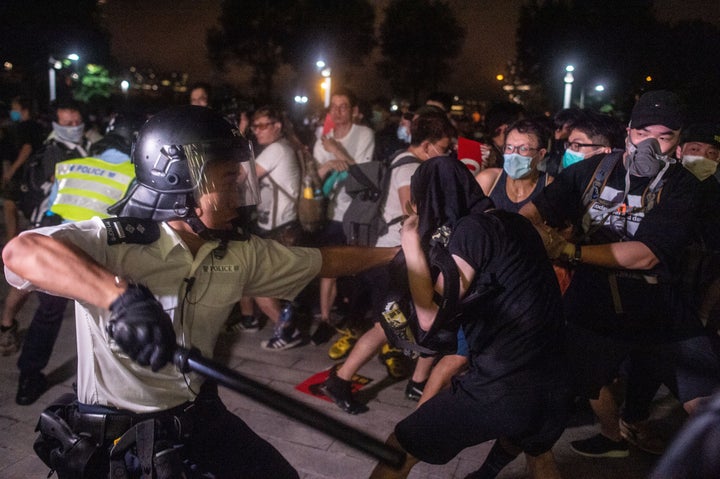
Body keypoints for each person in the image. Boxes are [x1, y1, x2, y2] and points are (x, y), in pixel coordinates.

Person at [2, 105, 398, 479]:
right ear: (179, 181)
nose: (242, 189)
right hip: (119, 437)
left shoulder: (241, 254)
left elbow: (326, 261)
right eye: (229, 180)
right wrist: (117, 298)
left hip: (198, 415)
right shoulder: (115, 243)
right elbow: (22, 251)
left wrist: (401, 255)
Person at [519, 90, 720, 459]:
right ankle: (607, 440)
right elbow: (532, 213)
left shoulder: (684, 186)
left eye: (664, 136)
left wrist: (566, 251)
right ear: (628, 131)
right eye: (644, 132)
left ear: (677, 143)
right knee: (557, 395)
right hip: (595, 304)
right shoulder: (592, 170)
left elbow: (645, 256)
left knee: (707, 405)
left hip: (661, 308)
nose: (651, 144)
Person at [369, 156, 571, 479]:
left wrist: (410, 245)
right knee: (539, 453)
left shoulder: (472, 230)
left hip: (504, 382)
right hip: (555, 377)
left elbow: (429, 317)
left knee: (399, 448)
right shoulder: (515, 223)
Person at [320, 110, 456, 414]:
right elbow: (413, 210)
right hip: (393, 258)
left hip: (390, 255)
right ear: (429, 144)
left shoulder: (401, 158)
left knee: (388, 324)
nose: (448, 154)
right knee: (388, 325)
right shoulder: (411, 169)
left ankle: (348, 379)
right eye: (445, 148)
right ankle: (340, 380)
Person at [12, 110, 144, 406]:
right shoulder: (135, 176)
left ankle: (27, 380)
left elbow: (51, 209)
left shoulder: (70, 167)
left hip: (61, 253)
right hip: (101, 258)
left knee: (47, 315)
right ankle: (103, 390)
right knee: (104, 322)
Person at [233, 106, 305, 350]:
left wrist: (238, 135)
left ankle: (289, 332)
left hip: (281, 230)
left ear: (277, 126)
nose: (257, 131)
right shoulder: (282, 147)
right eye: (255, 127)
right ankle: (254, 319)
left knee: (261, 288)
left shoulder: (276, 149)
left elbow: (241, 177)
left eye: (263, 126)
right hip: (275, 227)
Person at [311, 88, 375, 345]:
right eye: (334, 107)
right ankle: (325, 319)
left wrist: (337, 151)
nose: (338, 112)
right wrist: (327, 165)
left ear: (353, 110)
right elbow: (313, 180)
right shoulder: (321, 139)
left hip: (358, 213)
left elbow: (365, 176)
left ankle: (353, 319)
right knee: (329, 268)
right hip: (330, 212)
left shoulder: (364, 134)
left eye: (344, 106)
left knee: (356, 270)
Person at [2, 96, 46, 242]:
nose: (12, 112)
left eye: (15, 108)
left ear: (24, 110)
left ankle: (12, 239)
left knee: (10, 204)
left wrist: (12, 170)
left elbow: (26, 148)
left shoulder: (24, 127)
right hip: (34, 173)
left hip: (23, 172)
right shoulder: (38, 125)